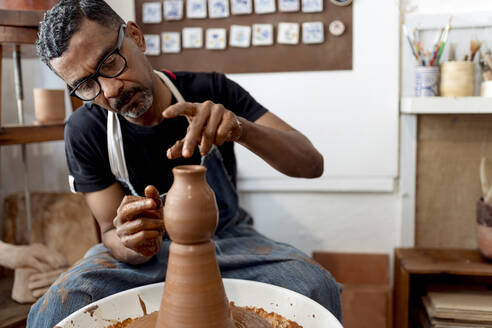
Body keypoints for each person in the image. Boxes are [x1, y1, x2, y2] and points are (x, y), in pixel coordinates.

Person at [29, 0, 342, 326]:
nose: (110, 90)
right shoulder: (84, 130)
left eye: (110, 63)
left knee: (314, 286)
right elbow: (109, 230)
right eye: (86, 85)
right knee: (56, 309)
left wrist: (240, 128)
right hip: (142, 261)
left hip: (230, 241)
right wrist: (133, 242)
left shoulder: (212, 90)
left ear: (136, 37)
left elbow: (311, 163)